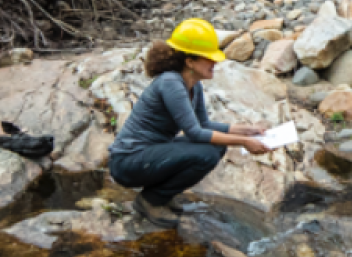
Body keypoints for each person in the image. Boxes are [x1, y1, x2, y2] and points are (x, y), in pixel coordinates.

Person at [108, 19, 274, 228]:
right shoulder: (171, 83)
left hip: (147, 155)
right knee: (206, 154)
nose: (215, 63)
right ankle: (151, 200)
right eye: (209, 59)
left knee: (216, 148)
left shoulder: (192, 87)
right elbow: (195, 133)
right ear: (190, 62)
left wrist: (248, 131)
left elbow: (203, 124)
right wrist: (243, 142)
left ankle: (161, 196)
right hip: (127, 162)